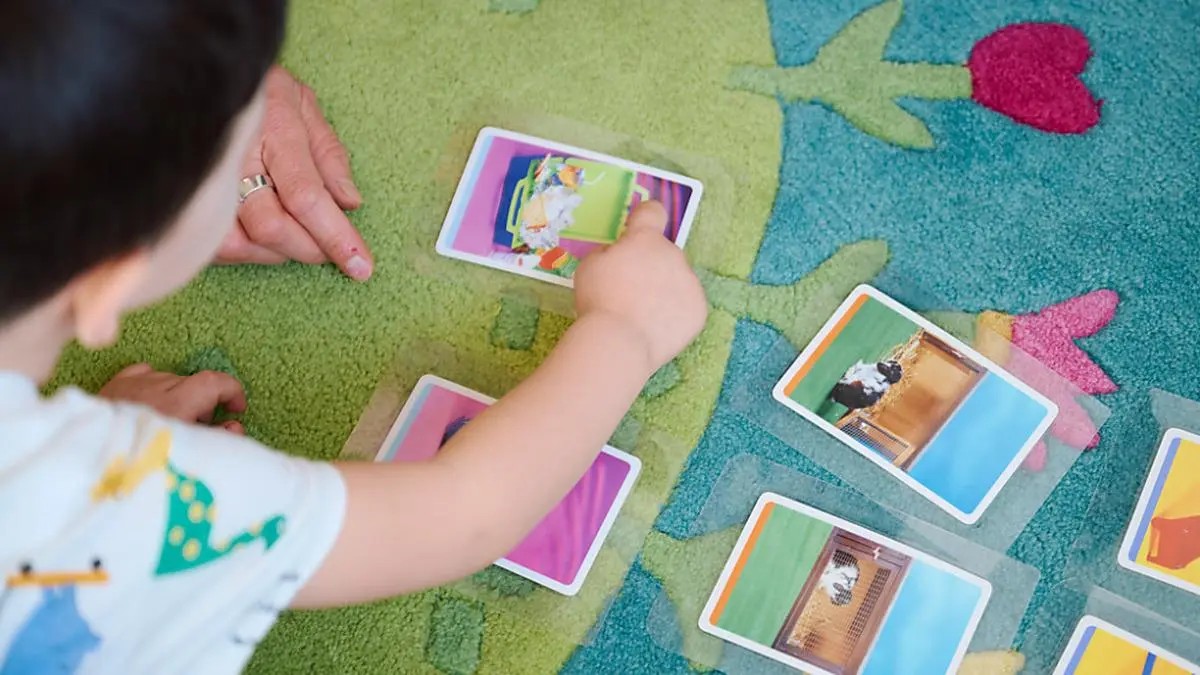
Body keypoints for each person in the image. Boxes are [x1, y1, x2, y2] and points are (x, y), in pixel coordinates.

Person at [0, 2, 707, 673]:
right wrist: (624, 331)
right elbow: (462, 516)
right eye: (240, 148)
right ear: (111, 280)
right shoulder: (131, 513)